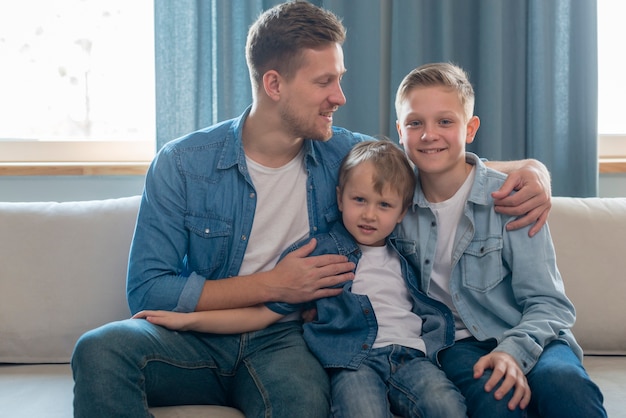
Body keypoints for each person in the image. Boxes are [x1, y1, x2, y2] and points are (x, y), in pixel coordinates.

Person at [71, 2, 552, 417]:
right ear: (275, 84)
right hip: (193, 342)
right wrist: (274, 284)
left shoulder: (342, 155)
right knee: (100, 350)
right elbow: (149, 290)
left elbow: (428, 159)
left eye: (338, 80)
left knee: (300, 403)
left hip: (284, 341)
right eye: (325, 83)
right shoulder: (182, 164)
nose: (339, 98)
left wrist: (532, 170)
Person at [134, 140, 467, 418]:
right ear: (340, 198)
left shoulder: (408, 250)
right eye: (359, 200)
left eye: (384, 205)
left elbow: (449, 171)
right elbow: (263, 313)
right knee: (361, 411)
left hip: (411, 355)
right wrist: (189, 320)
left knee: (446, 405)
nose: (369, 214)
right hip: (353, 363)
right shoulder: (319, 256)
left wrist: (519, 170)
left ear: (403, 211)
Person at [394, 62, 607, 418]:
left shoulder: (511, 198)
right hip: (458, 346)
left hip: (531, 333)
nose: (429, 134)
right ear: (400, 131)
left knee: (565, 386)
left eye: (445, 121)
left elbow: (549, 303)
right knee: (496, 401)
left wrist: (512, 351)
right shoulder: (393, 205)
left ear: (470, 128)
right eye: (415, 123)